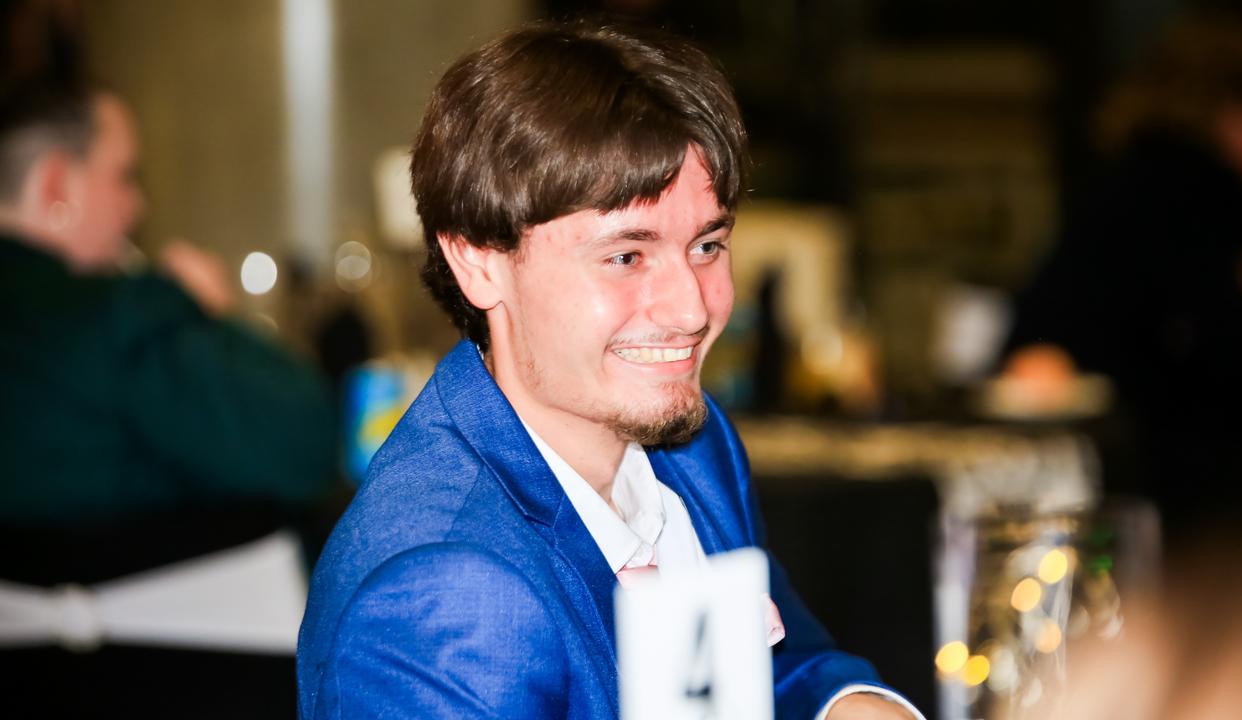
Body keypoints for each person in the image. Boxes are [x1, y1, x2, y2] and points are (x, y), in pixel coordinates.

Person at [297, 21, 921, 720]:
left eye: (708, 245)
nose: (691, 309)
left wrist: (848, 704)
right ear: (478, 259)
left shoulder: (690, 448)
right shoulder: (446, 594)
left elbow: (770, 665)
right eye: (627, 256)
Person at [1000, 9, 1242, 546]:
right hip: (1167, 515)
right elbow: (1237, 371)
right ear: (1238, 109)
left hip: (1091, 489)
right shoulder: (1200, 199)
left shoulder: (1122, 181)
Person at [0, 87, 336, 526]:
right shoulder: (118, 315)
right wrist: (207, 314)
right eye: (123, 175)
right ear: (56, 185)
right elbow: (306, 443)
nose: (138, 206)